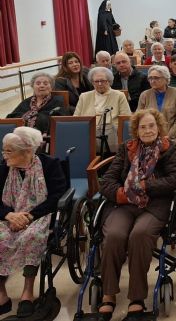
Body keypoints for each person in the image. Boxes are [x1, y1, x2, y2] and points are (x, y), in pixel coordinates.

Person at [97, 109, 176, 319]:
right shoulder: (125, 149)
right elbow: (107, 180)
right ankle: (108, 293)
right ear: (136, 130)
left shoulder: (169, 148)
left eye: (151, 126)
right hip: (125, 204)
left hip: (156, 205)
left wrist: (146, 186)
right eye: (143, 127)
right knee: (114, 236)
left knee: (140, 235)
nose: (147, 130)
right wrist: (120, 194)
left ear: (159, 127)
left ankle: (136, 297)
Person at [0, 127, 67, 318]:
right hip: (9, 217)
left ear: (27, 151)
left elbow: (56, 196)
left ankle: (27, 293)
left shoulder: (49, 164)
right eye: (4, 150)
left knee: (32, 235)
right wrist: (9, 215)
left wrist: (29, 216)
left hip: (40, 216)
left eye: (9, 151)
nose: (4, 155)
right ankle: (2, 295)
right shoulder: (4, 168)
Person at [74, 67, 131, 153]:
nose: (100, 84)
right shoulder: (84, 96)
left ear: (109, 81)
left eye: (103, 81)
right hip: (87, 134)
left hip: (111, 136)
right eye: (96, 81)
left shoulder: (119, 96)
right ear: (92, 82)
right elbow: (76, 119)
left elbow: (126, 119)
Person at [138, 65, 176, 143]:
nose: (152, 81)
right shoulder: (145, 95)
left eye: (156, 78)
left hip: (173, 136)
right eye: (150, 78)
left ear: (166, 79)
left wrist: (169, 135)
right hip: (149, 136)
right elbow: (138, 118)